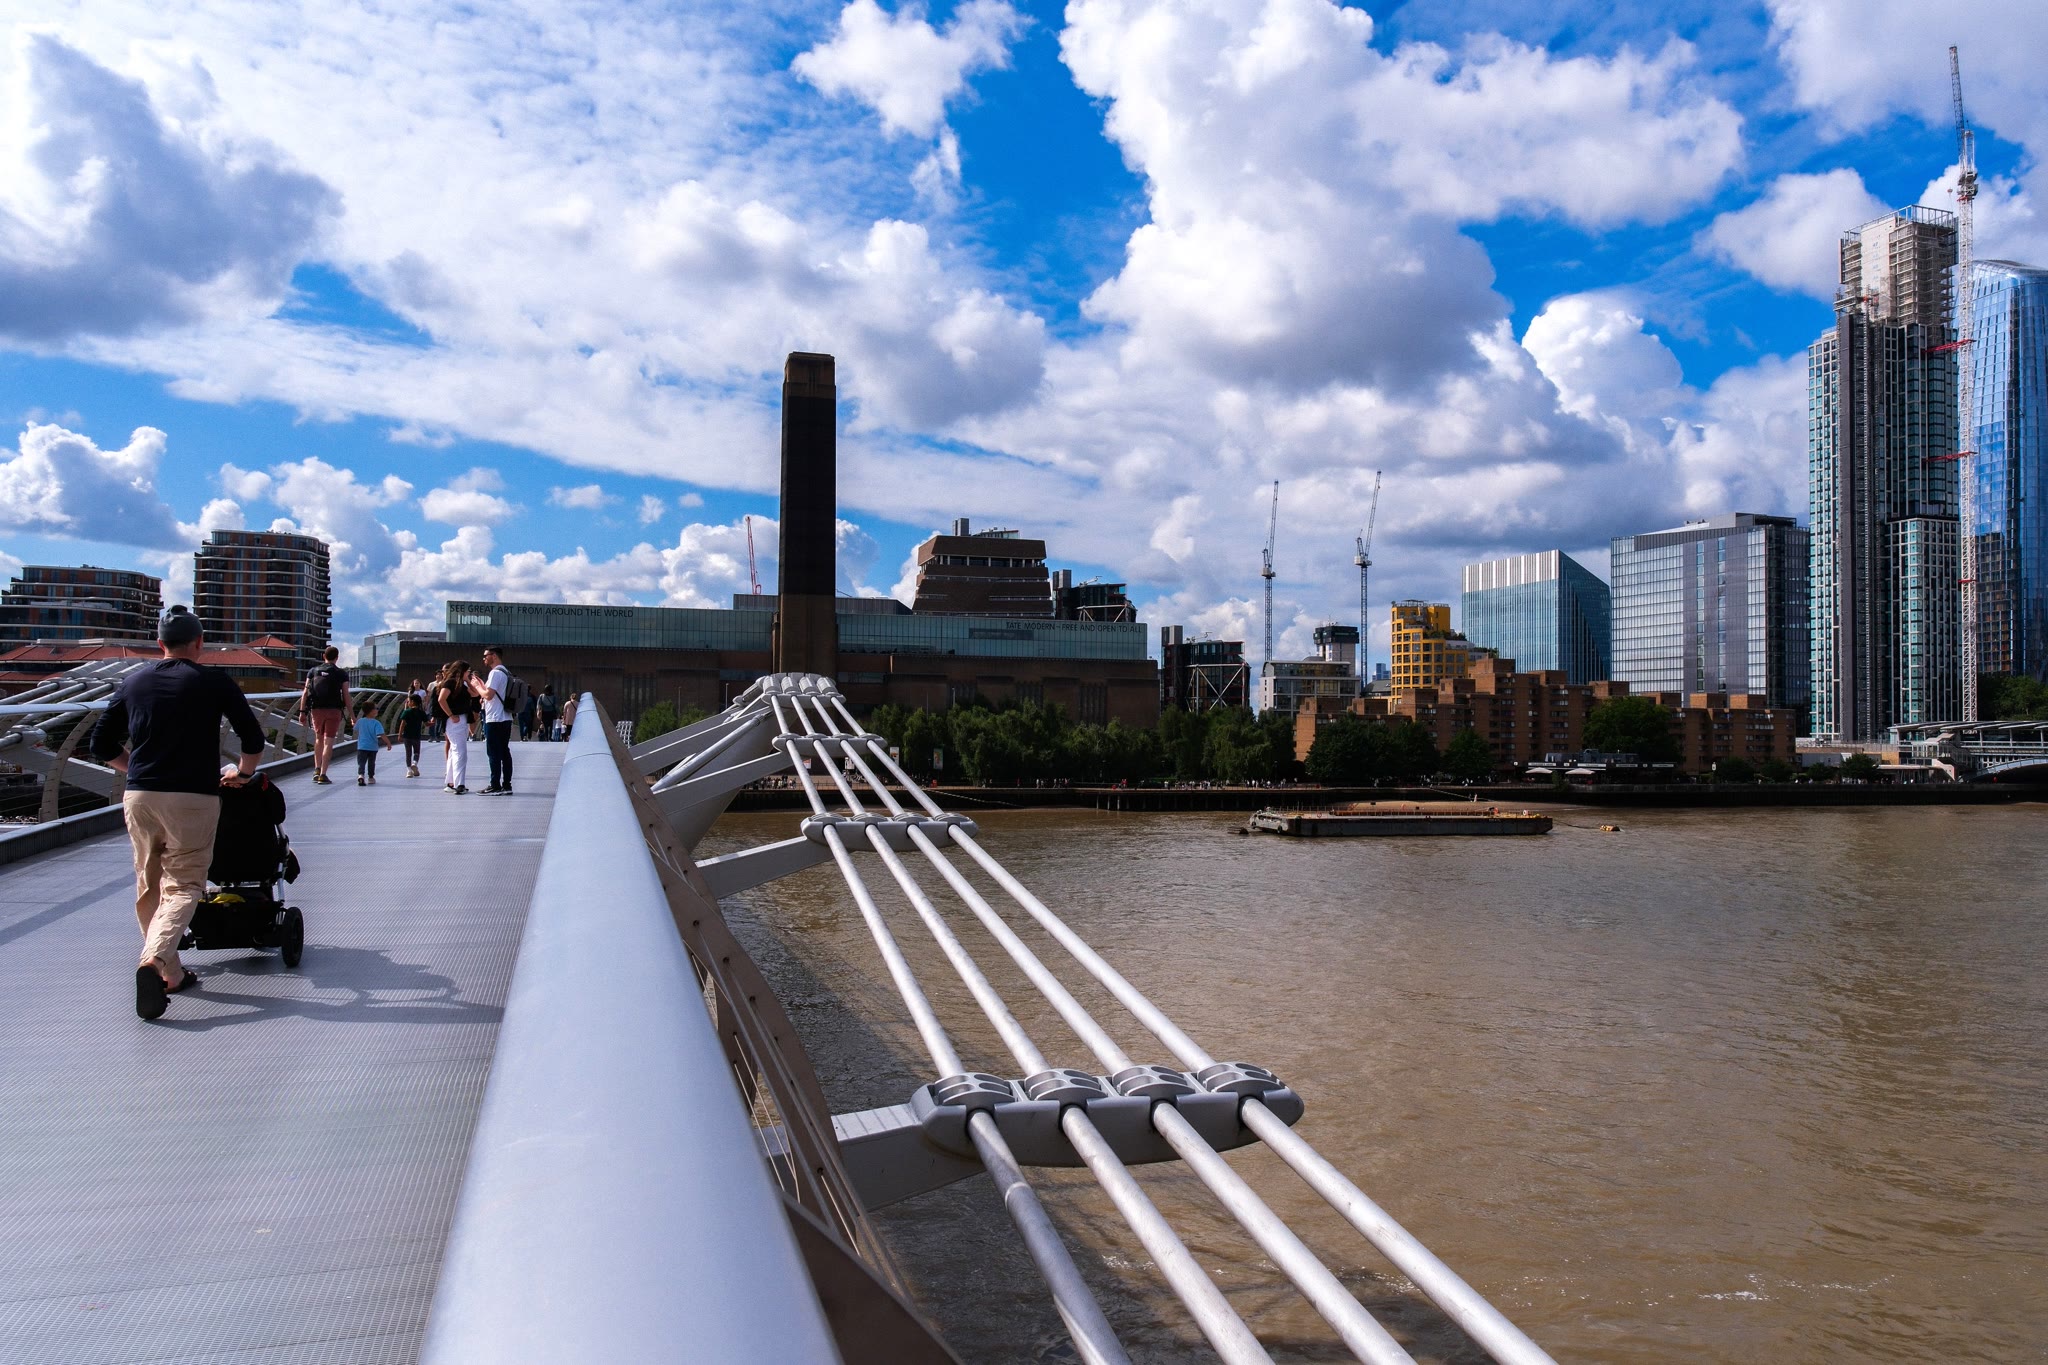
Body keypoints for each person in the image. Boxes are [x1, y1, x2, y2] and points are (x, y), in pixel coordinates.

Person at [90, 605, 268, 1019]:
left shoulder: (133, 682)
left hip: (140, 796)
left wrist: (135, 768)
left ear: (160, 644)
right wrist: (243, 774)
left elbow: (100, 744)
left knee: (148, 884)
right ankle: (154, 961)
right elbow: (253, 738)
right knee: (185, 885)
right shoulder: (213, 681)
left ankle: (171, 973)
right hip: (192, 796)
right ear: (199, 643)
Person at [299, 645, 351, 784]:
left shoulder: (313, 671)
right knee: (329, 742)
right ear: (337, 658)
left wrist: (302, 712)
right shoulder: (341, 673)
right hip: (334, 710)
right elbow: (346, 696)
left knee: (318, 739)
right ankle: (323, 774)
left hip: (316, 709)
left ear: (323, 656)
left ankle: (316, 769)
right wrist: (352, 715)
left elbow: (305, 692)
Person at [478, 645, 514, 795]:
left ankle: (495, 785)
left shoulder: (495, 673)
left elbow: (488, 695)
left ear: (494, 656)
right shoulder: (506, 672)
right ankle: (506, 785)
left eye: (486, 655)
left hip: (494, 719)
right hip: (506, 717)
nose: (484, 659)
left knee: (493, 753)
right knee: (504, 751)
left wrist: (477, 686)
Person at [436, 660, 477, 794]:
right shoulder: (450, 683)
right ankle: (460, 784)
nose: (469, 673)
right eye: (468, 671)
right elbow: (441, 699)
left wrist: (468, 681)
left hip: (461, 719)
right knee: (460, 752)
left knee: (454, 751)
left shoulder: (462, 684)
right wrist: (451, 714)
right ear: (462, 671)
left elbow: (475, 694)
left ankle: (451, 782)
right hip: (455, 720)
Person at [352, 700, 390, 785]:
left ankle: (361, 775)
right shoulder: (376, 723)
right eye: (376, 708)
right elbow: (382, 734)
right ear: (371, 711)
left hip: (362, 746)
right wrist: (388, 743)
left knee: (361, 762)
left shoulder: (360, 721)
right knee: (371, 763)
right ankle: (371, 777)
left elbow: (355, 727)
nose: (377, 710)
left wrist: (353, 721)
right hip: (372, 747)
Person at [396, 689, 427, 777]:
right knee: (416, 752)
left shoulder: (406, 712)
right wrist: (432, 722)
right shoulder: (421, 712)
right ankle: (414, 763)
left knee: (408, 753)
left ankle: (409, 770)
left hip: (407, 735)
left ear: (412, 702)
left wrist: (400, 735)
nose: (408, 703)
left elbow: (402, 724)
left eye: (408, 701)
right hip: (416, 735)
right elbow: (427, 723)